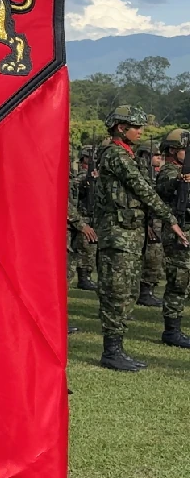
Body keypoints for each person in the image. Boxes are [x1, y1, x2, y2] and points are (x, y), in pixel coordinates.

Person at [93, 106, 187, 371]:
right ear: (121, 127)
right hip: (118, 235)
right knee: (117, 291)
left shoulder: (127, 154)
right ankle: (111, 352)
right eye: (137, 127)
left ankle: (117, 349)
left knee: (128, 291)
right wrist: (170, 219)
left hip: (130, 234)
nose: (141, 131)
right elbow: (143, 189)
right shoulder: (116, 155)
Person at [155, 128, 190, 348]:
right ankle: (171, 331)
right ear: (173, 151)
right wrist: (180, 179)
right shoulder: (169, 171)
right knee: (178, 281)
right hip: (177, 233)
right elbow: (164, 188)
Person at [137, 144, 165, 307]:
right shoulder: (141, 175)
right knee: (151, 258)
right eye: (155, 155)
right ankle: (145, 292)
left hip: (156, 221)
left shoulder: (156, 175)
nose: (159, 157)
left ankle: (149, 291)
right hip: (146, 222)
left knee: (156, 257)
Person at [73, 149, 100, 290]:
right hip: (83, 216)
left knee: (91, 248)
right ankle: (83, 278)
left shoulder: (95, 175)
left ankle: (87, 276)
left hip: (93, 216)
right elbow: (74, 186)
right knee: (85, 248)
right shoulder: (82, 175)